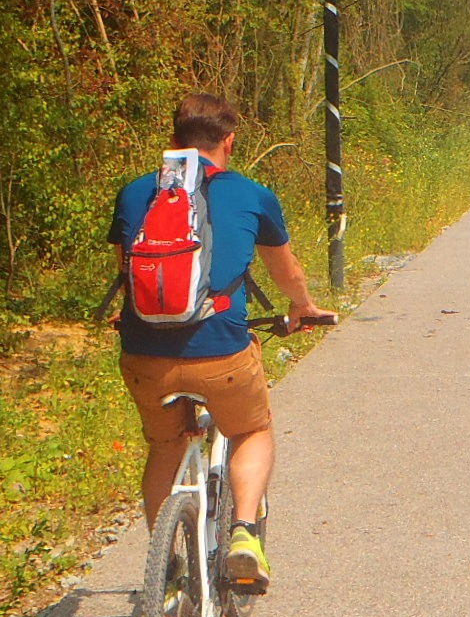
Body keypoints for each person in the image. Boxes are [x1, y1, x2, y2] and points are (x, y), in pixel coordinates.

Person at [109, 91, 334, 587]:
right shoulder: (252, 194)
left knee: (165, 445)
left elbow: (127, 271)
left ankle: (165, 567)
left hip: (145, 356)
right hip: (222, 353)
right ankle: (245, 534)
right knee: (251, 430)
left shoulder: (134, 193)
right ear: (229, 142)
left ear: (173, 143)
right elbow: (286, 271)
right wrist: (302, 306)